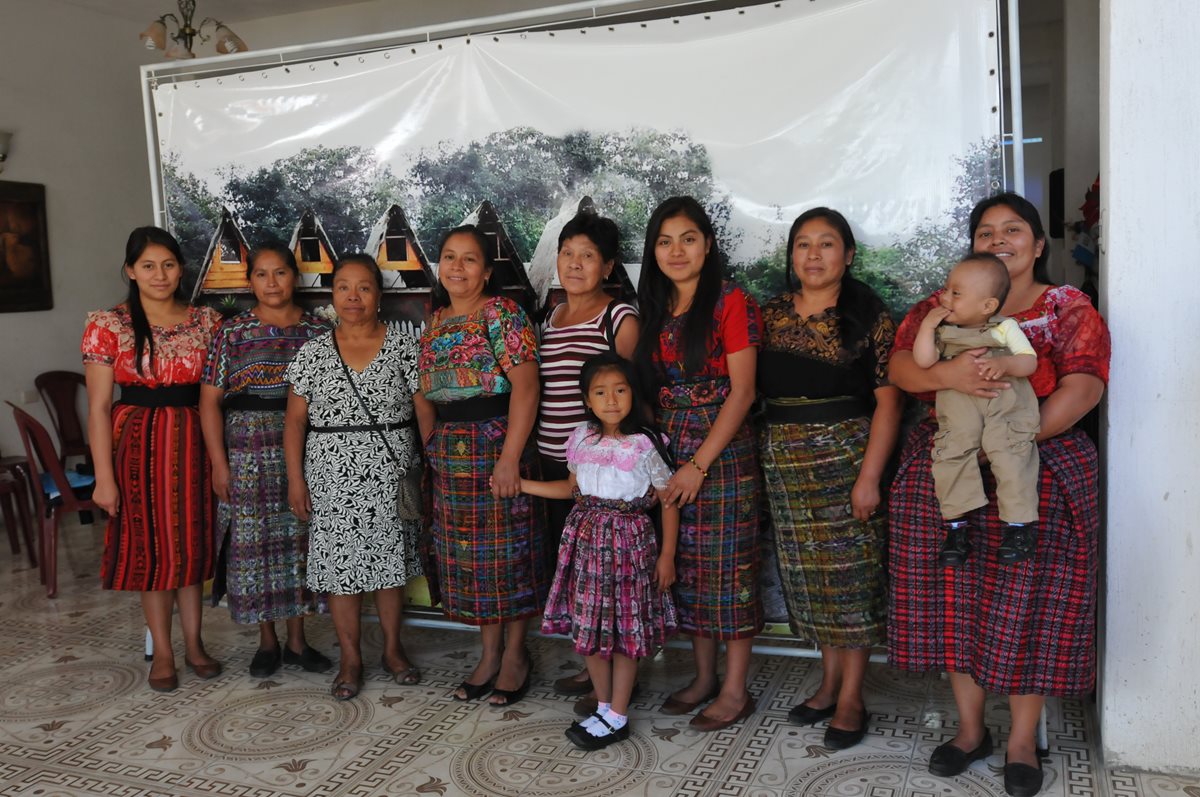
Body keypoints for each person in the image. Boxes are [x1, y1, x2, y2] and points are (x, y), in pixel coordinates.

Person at [887, 193, 1110, 797]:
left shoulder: (1066, 309)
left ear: (1039, 245)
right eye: (985, 232)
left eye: (1013, 230)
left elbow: (1084, 386)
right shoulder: (942, 306)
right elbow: (902, 368)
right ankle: (968, 731)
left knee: (1027, 602)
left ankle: (1020, 739)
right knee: (956, 603)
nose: (999, 239)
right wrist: (946, 378)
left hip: (1036, 467)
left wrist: (1008, 441)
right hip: (950, 467)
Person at [757, 207, 902, 749]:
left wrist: (870, 477)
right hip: (785, 463)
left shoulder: (868, 315)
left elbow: (888, 404)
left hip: (846, 458)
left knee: (850, 581)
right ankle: (827, 683)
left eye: (826, 244)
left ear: (849, 254)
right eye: (802, 244)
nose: (813, 255)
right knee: (811, 581)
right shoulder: (768, 314)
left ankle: (850, 697)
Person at [632, 196, 761, 732]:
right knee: (687, 569)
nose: (676, 251)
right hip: (670, 446)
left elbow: (744, 391)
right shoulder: (657, 307)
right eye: (664, 241)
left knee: (729, 571)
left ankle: (734, 689)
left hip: (722, 451)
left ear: (708, 244)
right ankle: (704, 677)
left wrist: (699, 465)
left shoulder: (731, 301)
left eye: (688, 238)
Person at [83, 227, 223, 693]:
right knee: (152, 549)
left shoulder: (207, 321)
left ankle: (195, 644)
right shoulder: (110, 324)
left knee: (191, 545)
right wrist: (104, 478)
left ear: (180, 268)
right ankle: (163, 652)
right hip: (137, 444)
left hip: (193, 441)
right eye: (147, 266)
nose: (159, 275)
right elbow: (99, 407)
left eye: (167, 264)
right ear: (130, 271)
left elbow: (216, 394)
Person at [413, 225, 546, 708]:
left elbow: (527, 388)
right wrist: (432, 443)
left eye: (469, 260)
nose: (457, 268)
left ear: (487, 271)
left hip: (496, 444)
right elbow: (425, 390)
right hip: (450, 455)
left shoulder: (503, 314)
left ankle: (514, 656)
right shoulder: (435, 320)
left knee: (507, 558)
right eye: (449, 257)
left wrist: (511, 456)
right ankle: (487, 654)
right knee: (473, 562)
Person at [283, 254, 423, 701]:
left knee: (389, 566)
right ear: (332, 296)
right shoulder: (313, 352)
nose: (353, 297)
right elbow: (294, 424)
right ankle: (350, 658)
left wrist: (432, 471)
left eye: (363, 287)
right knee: (342, 569)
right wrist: (295, 480)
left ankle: (394, 651)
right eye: (343, 287)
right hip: (330, 475)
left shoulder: (404, 346)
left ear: (379, 295)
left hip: (392, 472)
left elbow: (425, 413)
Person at [521, 353, 678, 750]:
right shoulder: (580, 438)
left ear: (633, 394)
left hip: (629, 543)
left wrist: (667, 556)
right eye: (601, 392)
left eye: (620, 390)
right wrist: (524, 486)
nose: (611, 400)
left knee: (626, 629)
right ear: (587, 400)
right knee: (589, 626)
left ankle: (619, 714)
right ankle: (603, 706)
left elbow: (668, 500)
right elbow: (571, 491)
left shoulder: (647, 443)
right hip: (585, 541)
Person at [199, 243, 333, 678]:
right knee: (254, 548)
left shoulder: (317, 331)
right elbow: (209, 403)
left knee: (299, 544)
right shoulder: (232, 332)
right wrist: (220, 464)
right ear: (250, 281)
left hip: (306, 448)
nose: (271, 283)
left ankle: (298, 640)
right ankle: (267, 640)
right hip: (247, 449)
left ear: (294, 276)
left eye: (280, 273)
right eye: (261, 274)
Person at [536, 211, 639, 703]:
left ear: (609, 265)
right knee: (577, 574)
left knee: (611, 581)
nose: (575, 264)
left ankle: (618, 684)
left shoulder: (618, 317)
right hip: (551, 464)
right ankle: (592, 666)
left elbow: (630, 395)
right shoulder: (548, 318)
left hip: (600, 476)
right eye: (568, 253)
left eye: (588, 256)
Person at [912, 253, 1040, 567]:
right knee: (949, 457)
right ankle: (956, 528)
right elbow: (923, 361)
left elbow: (1029, 361)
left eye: (956, 293)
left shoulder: (1005, 328)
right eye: (946, 289)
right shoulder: (941, 330)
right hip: (959, 410)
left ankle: (1018, 527)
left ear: (987, 307)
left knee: (1011, 455)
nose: (945, 297)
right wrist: (927, 326)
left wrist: (1004, 363)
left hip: (1003, 407)